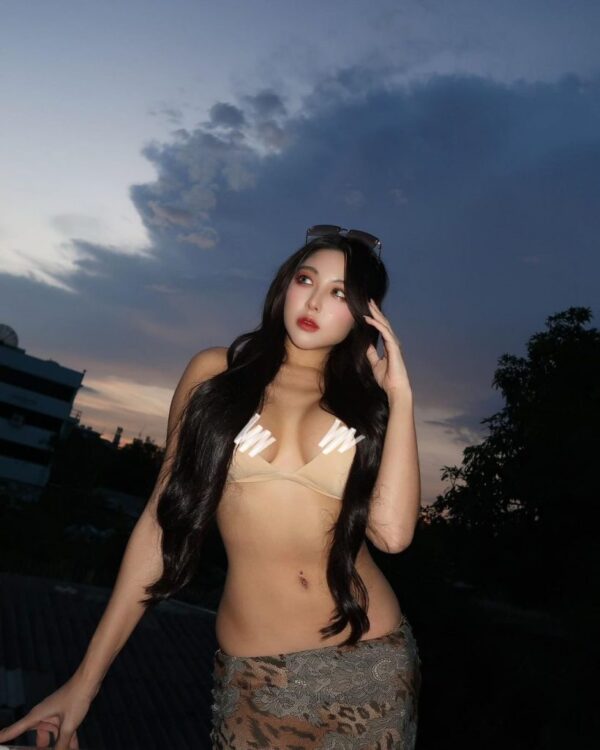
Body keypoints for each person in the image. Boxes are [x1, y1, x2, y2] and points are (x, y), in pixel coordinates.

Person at [0, 226, 422, 749]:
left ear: (364, 313)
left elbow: (392, 535)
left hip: (371, 667)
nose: (313, 301)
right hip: (256, 679)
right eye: (305, 279)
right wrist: (84, 683)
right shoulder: (217, 374)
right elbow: (160, 526)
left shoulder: (367, 403)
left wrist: (400, 396)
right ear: (285, 284)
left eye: (338, 292)